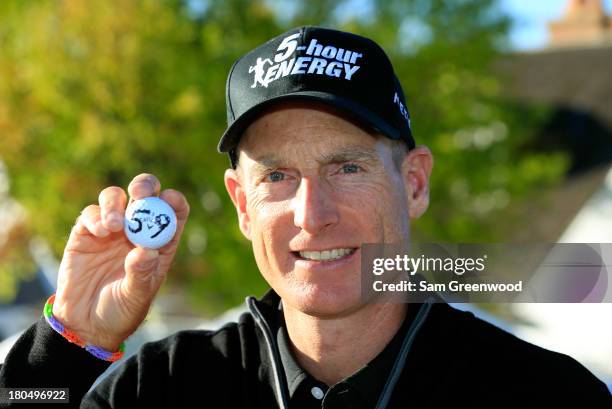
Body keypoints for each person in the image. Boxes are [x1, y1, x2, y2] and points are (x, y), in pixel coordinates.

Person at [0, 26, 610, 409]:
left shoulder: (544, 396)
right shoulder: (162, 388)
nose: (311, 215)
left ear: (415, 183)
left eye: (347, 168)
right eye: (278, 176)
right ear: (242, 204)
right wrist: (72, 345)